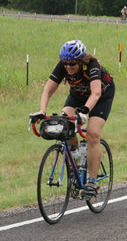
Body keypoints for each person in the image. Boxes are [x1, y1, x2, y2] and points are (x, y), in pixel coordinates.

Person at [32, 40, 115, 197]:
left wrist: (85, 111)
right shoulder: (63, 66)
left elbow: (96, 93)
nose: (68, 67)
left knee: (92, 135)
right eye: (66, 64)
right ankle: (75, 155)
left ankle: (92, 181)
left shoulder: (92, 65)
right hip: (77, 96)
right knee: (64, 124)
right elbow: (47, 90)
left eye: (72, 64)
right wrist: (42, 111)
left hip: (101, 97)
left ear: (80, 61)